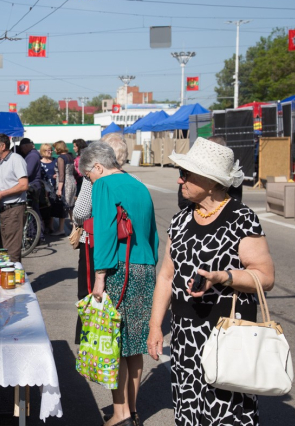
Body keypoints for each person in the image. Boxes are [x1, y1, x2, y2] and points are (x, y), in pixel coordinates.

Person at [147, 137, 275, 426]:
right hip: (185, 335)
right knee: (188, 411)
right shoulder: (180, 220)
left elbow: (265, 277)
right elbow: (166, 276)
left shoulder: (241, 218)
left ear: (210, 181)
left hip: (227, 333)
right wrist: (155, 326)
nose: (180, 180)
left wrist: (223, 277)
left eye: (186, 174)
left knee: (227, 413)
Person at [79, 141, 159, 426]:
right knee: (133, 346)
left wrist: (99, 277)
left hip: (118, 269)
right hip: (145, 267)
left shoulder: (103, 185)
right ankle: (132, 411)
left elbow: (105, 232)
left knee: (115, 343)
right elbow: (152, 234)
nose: (89, 180)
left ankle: (120, 413)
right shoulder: (139, 185)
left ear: (98, 167)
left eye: (88, 175)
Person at [72, 133, 131, 344]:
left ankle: (89, 341)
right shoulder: (131, 179)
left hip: (94, 242)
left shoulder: (94, 180)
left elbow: (80, 212)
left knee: (90, 294)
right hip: (125, 247)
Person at [0, 133, 28, 263]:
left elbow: (24, 185)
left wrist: (1, 194)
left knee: (11, 253)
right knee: (7, 251)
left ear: (3, 146)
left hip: (14, 209)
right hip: (4, 210)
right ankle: (13, 274)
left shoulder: (16, 159)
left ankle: (14, 275)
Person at [177, 136, 242, 209]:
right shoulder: (190, 170)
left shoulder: (232, 175)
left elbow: (235, 202)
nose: (179, 181)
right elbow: (183, 202)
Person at [53, 140, 76, 235]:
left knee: (63, 206)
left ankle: (61, 229)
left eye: (55, 148)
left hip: (65, 184)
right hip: (72, 181)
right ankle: (75, 227)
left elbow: (62, 175)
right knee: (71, 206)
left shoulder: (61, 158)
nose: (54, 150)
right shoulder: (70, 156)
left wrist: (59, 189)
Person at [39, 143, 57, 234]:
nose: (50, 152)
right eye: (48, 150)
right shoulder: (39, 162)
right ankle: (43, 225)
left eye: (51, 150)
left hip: (54, 187)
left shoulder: (55, 161)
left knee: (52, 206)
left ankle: (51, 225)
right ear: (43, 151)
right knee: (44, 207)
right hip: (43, 188)